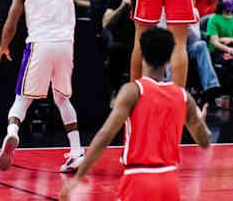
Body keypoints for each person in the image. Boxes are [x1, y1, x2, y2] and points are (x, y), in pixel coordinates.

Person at [59, 28, 210, 201]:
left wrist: (79, 177)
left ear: (142, 55)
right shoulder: (184, 96)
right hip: (170, 182)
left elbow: (104, 136)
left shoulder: (134, 91)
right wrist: (201, 124)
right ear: (170, 58)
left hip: (139, 179)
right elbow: (204, 143)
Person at [0, 0, 103, 173]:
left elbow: (12, 21)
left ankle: (13, 133)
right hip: (65, 45)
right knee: (62, 99)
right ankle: (76, 152)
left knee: (23, 99)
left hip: (39, 45)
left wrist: (3, 46)